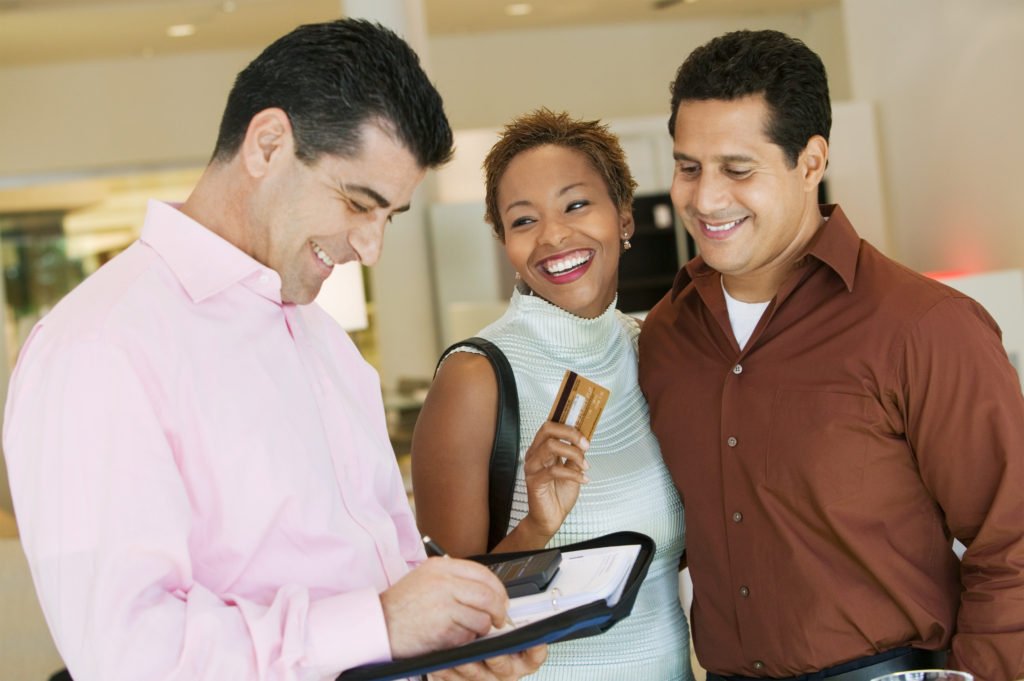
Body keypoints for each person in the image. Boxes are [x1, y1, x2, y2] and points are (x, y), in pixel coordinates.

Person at [2, 19, 546, 681]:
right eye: (357, 202)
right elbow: (129, 656)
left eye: (389, 217)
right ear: (267, 145)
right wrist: (380, 624)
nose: (371, 249)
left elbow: (375, 572)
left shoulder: (323, 340)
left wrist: (444, 644)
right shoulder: (99, 346)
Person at [639, 28, 1024, 681]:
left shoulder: (924, 327)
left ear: (811, 162)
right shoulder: (666, 336)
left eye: (737, 169)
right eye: (688, 166)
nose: (704, 199)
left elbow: (1013, 542)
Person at [411, 109, 694, 681]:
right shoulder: (476, 376)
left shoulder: (651, 352)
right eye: (523, 220)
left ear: (623, 216)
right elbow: (447, 627)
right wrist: (538, 527)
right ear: (503, 241)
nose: (553, 236)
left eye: (575, 205)